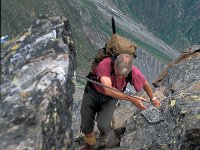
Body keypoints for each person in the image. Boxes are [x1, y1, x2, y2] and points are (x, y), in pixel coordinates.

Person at [80, 54, 161, 149]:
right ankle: (90, 145)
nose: (118, 76)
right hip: (92, 92)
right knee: (85, 126)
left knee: (103, 125)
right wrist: (131, 99)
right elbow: (108, 90)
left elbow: (144, 83)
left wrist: (153, 98)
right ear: (114, 65)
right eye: (116, 73)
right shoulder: (105, 64)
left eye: (122, 75)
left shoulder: (133, 72)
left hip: (111, 99)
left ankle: (103, 139)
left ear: (129, 71)